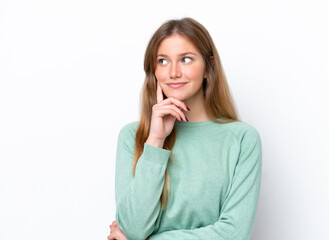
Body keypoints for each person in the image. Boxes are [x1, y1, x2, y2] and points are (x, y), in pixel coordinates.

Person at [107, 17, 262, 240]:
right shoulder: (133, 136)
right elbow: (133, 228)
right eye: (162, 61)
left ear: (209, 67)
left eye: (186, 60)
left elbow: (234, 233)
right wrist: (155, 141)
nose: (173, 72)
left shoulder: (242, 139)